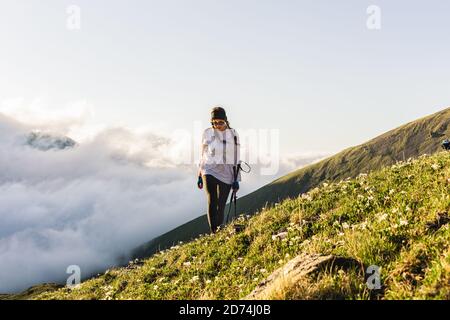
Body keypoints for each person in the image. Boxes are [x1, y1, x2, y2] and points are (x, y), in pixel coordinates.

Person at [197, 106, 242, 233]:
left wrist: (236, 179)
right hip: (209, 169)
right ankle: (214, 232)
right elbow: (203, 153)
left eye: (220, 122)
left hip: (227, 172)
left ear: (226, 121)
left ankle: (219, 229)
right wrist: (200, 174)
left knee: (221, 205)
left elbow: (236, 157)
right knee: (212, 200)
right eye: (214, 123)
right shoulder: (207, 133)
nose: (217, 125)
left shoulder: (233, 134)